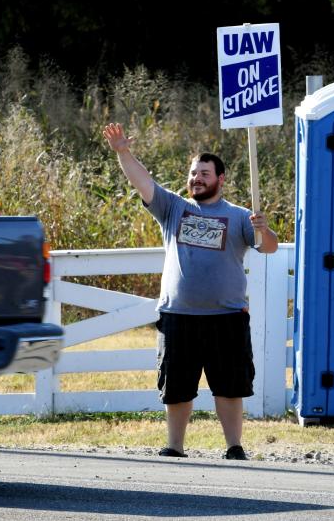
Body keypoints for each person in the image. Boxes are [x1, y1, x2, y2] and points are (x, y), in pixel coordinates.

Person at [102, 122, 278, 460]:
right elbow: (142, 182)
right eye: (193, 173)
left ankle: (234, 446)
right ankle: (175, 446)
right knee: (178, 387)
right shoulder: (173, 208)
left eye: (205, 173)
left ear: (220, 179)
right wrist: (124, 152)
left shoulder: (240, 216)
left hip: (226, 317)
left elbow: (268, 247)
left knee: (228, 386)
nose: (197, 178)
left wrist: (264, 228)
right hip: (178, 316)